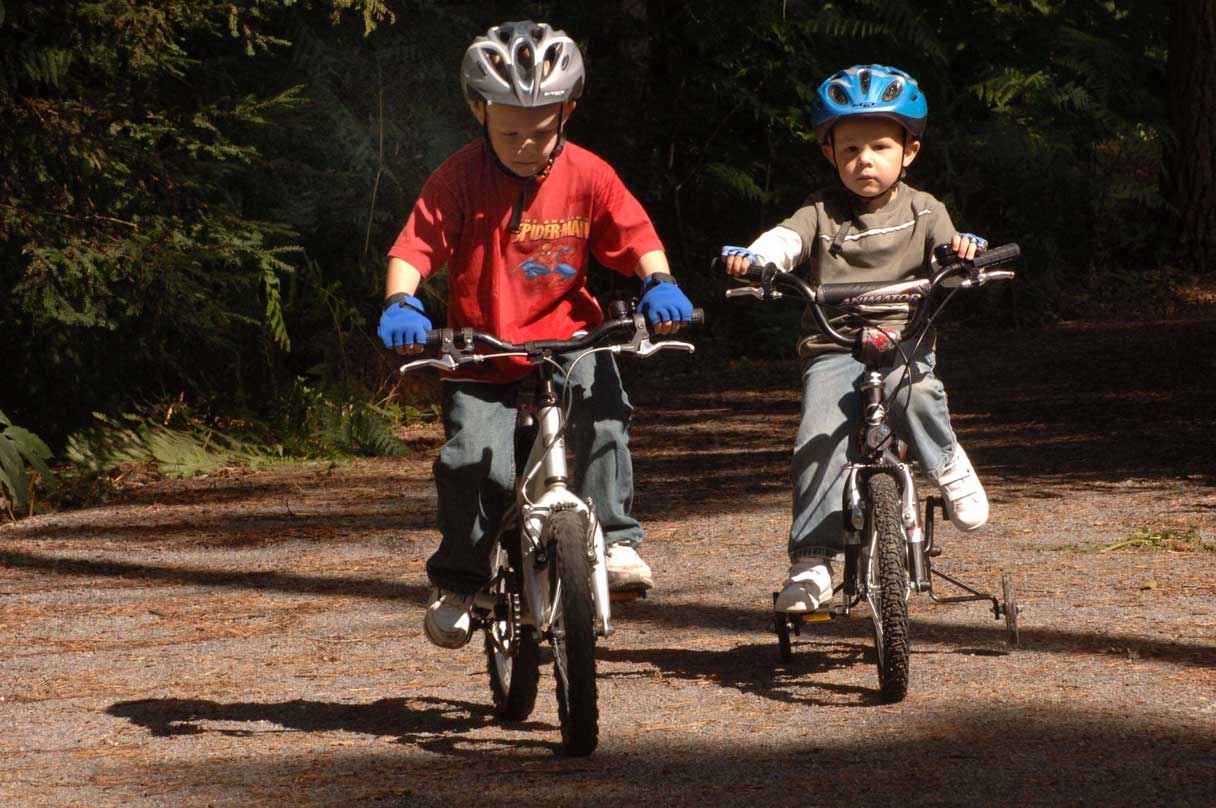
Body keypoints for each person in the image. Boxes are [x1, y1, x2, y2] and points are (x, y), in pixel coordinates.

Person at [378, 21, 694, 648]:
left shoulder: (588, 173)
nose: (526, 144)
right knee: (473, 459)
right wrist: (401, 300)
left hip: (571, 340)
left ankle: (619, 542)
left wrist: (659, 283)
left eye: (541, 128)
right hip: (481, 349)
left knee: (604, 419)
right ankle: (461, 578)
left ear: (568, 111)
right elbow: (415, 245)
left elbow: (634, 236)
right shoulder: (459, 177)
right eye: (509, 130)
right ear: (479, 111)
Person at [720, 65, 990, 614]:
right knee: (818, 436)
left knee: (914, 392)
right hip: (834, 346)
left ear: (909, 151)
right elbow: (784, 242)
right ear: (830, 155)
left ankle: (947, 461)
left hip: (904, 337)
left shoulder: (924, 208)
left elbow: (950, 246)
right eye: (849, 150)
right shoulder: (819, 214)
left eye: (880, 146)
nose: (864, 160)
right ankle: (813, 562)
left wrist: (964, 249)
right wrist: (757, 259)